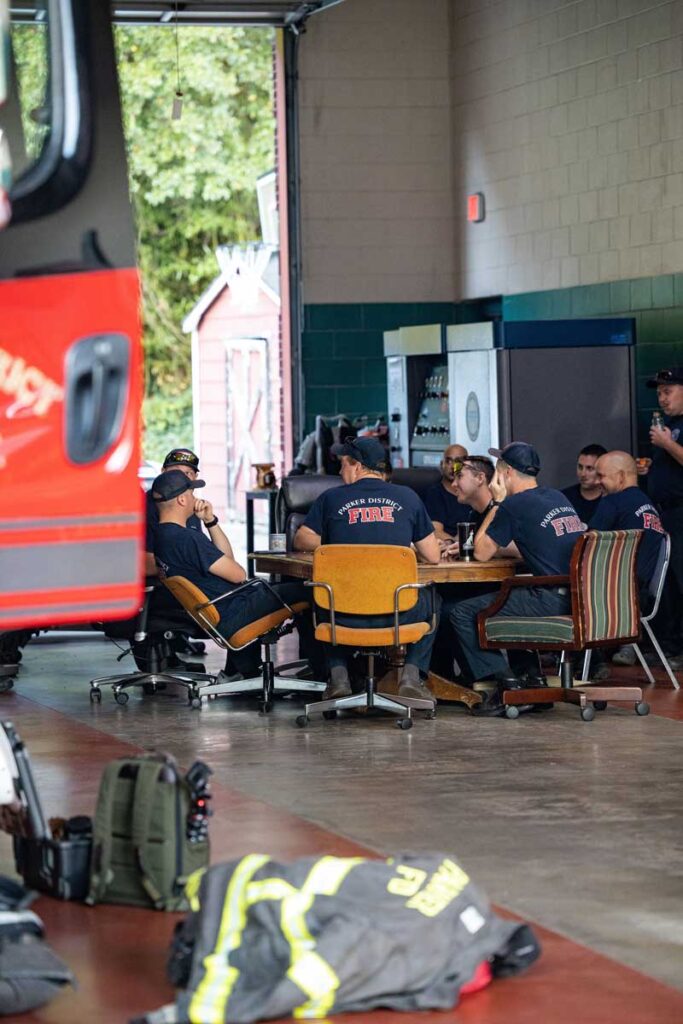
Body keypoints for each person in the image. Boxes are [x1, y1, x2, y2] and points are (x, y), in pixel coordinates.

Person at [293, 437, 441, 702]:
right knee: (433, 599)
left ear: (358, 466)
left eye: (343, 465)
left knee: (320, 598)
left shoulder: (331, 497)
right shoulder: (408, 496)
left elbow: (301, 539)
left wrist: (339, 547)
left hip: (342, 617)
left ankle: (338, 677)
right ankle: (411, 676)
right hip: (398, 616)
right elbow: (432, 556)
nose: (339, 472)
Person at [449, 442, 585, 716]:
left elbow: (482, 553)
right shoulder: (557, 497)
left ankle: (506, 683)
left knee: (460, 612)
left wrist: (498, 503)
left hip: (550, 599)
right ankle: (532, 680)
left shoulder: (513, 505)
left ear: (506, 472)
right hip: (580, 596)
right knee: (509, 598)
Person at [152, 470, 321, 679]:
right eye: (192, 492)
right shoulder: (186, 538)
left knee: (284, 590)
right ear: (182, 499)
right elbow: (238, 574)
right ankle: (324, 673)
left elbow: (226, 560)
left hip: (221, 611)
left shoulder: (161, 536)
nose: (196, 498)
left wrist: (210, 521)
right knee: (315, 591)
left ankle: (240, 670)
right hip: (234, 611)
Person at [590, 451, 665, 669]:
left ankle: (582, 659)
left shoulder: (613, 502)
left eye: (602, 476)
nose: (597, 482)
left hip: (612, 593)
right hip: (640, 594)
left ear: (621, 477)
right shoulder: (649, 504)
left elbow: (587, 545)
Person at [641, 366, 683, 668]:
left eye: (668, 391)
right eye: (659, 393)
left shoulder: (671, 432)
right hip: (664, 513)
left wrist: (668, 444)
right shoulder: (667, 424)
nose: (662, 398)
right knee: (666, 581)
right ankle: (668, 645)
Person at [423, 444, 471, 542]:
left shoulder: (473, 492)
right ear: (442, 465)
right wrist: (460, 546)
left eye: (459, 461)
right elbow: (436, 532)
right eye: (448, 461)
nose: (453, 466)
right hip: (448, 549)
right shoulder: (435, 494)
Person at [561, 444, 607, 525]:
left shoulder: (611, 500)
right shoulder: (564, 498)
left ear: (602, 470)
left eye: (589, 468)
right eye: (580, 467)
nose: (583, 474)